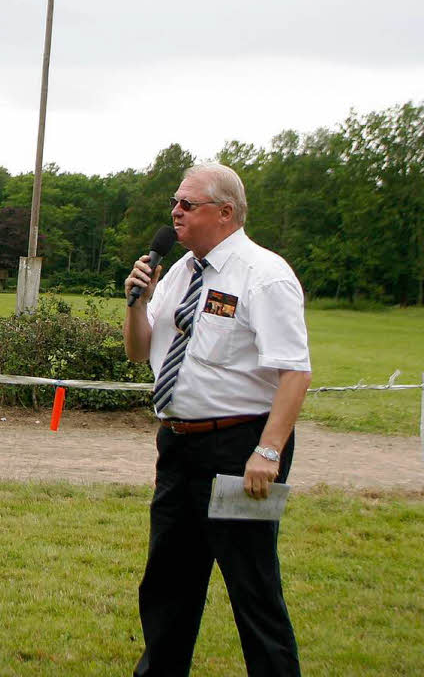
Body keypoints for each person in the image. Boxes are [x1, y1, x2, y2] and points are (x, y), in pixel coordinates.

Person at [123, 162, 311, 677]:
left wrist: (268, 452)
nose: (175, 213)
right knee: (167, 583)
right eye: (174, 205)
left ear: (225, 213)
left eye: (188, 204)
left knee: (252, 587)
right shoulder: (178, 273)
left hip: (240, 449)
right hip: (179, 447)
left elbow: (295, 373)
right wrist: (136, 304)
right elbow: (140, 352)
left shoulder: (265, 275)